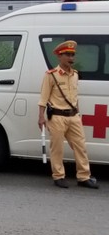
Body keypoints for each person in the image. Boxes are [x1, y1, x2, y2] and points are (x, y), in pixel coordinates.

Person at [38, 40, 98, 189]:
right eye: (67, 55)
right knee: (57, 148)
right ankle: (59, 176)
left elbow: (75, 98)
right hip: (57, 117)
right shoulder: (51, 75)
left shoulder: (75, 75)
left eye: (72, 55)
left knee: (80, 147)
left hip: (73, 117)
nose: (71, 58)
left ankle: (84, 177)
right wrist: (41, 117)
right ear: (59, 56)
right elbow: (43, 98)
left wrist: (78, 114)